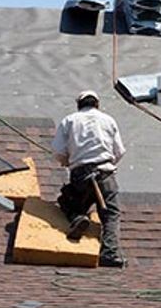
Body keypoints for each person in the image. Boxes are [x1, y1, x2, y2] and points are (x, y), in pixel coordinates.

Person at [52, 90, 126, 267]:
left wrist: (67, 161)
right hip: (105, 173)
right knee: (110, 214)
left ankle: (77, 218)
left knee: (67, 203)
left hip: (81, 175)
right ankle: (110, 253)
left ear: (79, 105)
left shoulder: (69, 120)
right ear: (97, 105)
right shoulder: (108, 120)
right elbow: (119, 151)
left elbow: (58, 151)